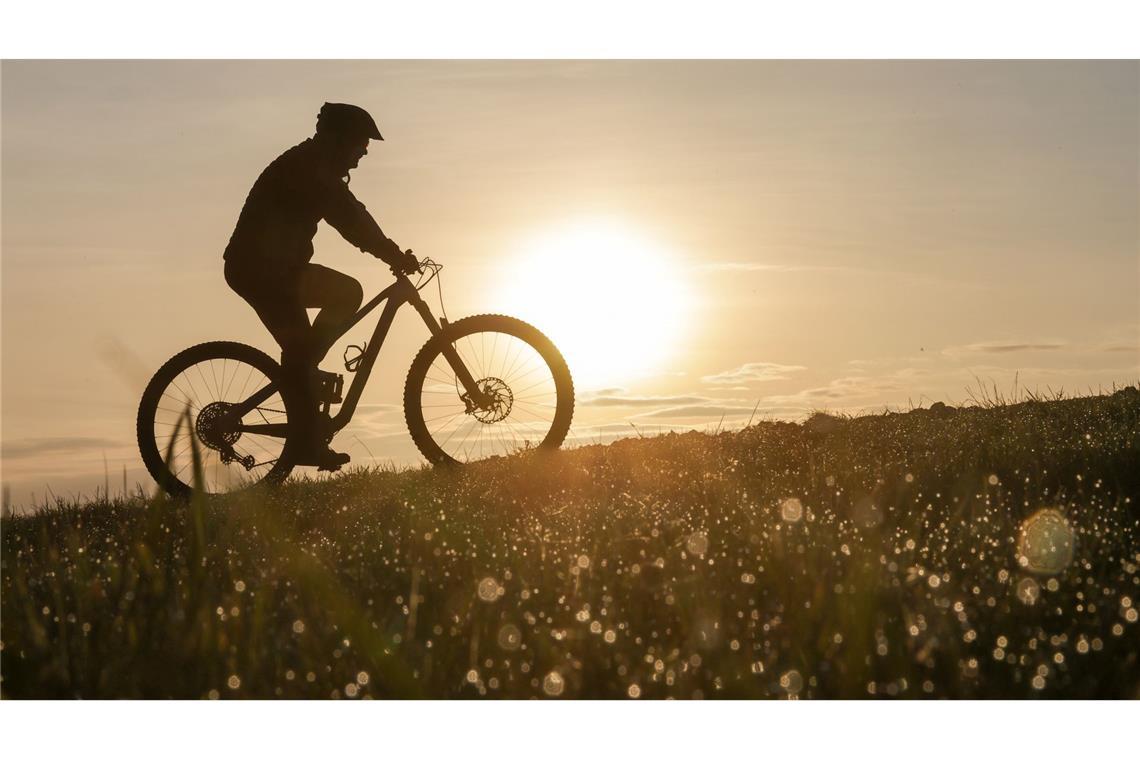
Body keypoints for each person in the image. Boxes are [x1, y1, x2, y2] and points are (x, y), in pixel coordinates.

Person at [223, 102, 418, 471]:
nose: (361, 157)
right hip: (262, 271)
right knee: (319, 327)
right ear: (339, 139)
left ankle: (303, 387)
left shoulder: (317, 165)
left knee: (335, 309)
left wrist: (389, 251)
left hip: (277, 269)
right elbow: (349, 218)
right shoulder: (311, 169)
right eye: (360, 147)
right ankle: (304, 428)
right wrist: (392, 254)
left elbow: (352, 210)